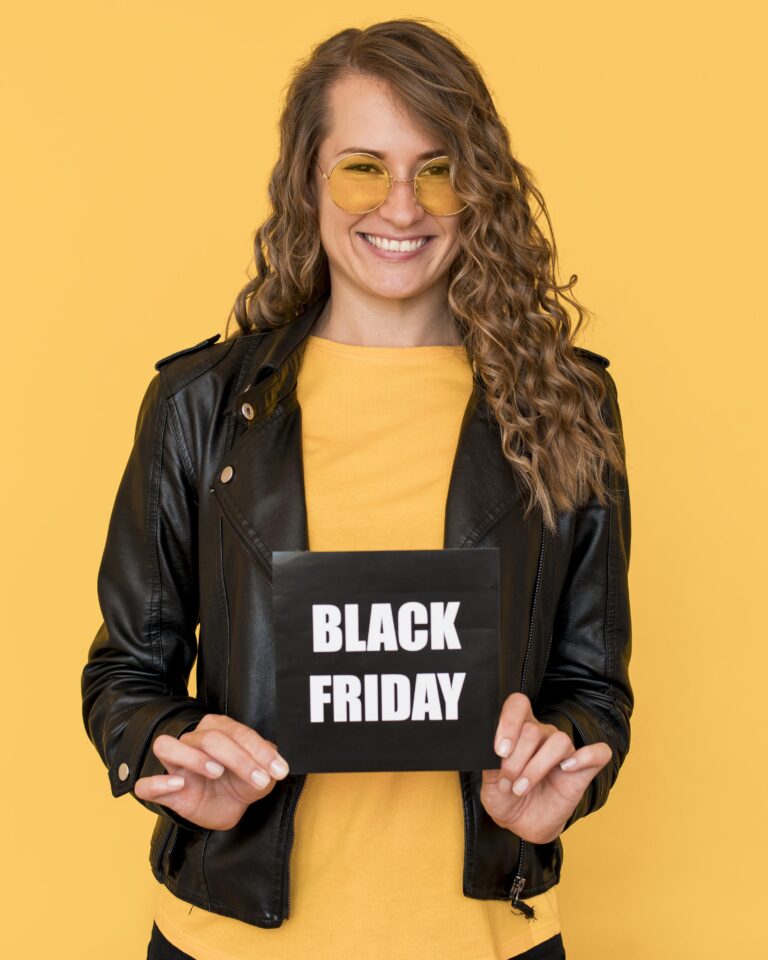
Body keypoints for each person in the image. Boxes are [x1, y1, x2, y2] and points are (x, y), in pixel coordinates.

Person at [81, 17, 632, 960]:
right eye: (364, 167)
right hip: (231, 942)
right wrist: (171, 748)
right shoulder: (198, 407)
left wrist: (561, 768)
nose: (404, 206)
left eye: (439, 168)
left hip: (484, 940)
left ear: (480, 189)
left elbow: (593, 687)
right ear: (308, 181)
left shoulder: (566, 404)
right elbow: (125, 674)